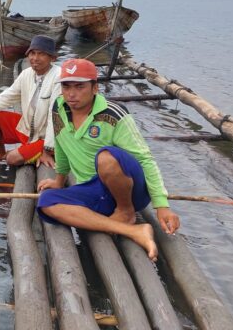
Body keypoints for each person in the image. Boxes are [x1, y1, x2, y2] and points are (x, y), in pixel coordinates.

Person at [35, 58, 181, 261]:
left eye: (79, 86)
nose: (71, 93)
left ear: (95, 88)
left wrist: (161, 205)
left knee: (106, 157)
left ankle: (125, 212)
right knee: (46, 202)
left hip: (129, 190)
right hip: (96, 191)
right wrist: (59, 181)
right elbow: (60, 144)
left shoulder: (113, 114)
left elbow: (145, 159)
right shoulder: (59, 107)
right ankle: (133, 230)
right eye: (66, 86)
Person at [0, 35, 61, 167]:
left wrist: (48, 149)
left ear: (52, 58)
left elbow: (55, 116)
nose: (35, 58)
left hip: (45, 138)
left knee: (12, 159)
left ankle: (41, 152)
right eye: (32, 53)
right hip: (28, 130)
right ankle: (1, 155)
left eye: (41, 54)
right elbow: (7, 96)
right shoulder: (27, 74)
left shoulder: (58, 77)